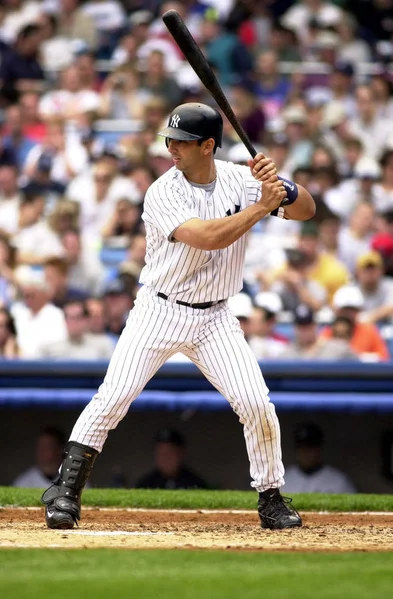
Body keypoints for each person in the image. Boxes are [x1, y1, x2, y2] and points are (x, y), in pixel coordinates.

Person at [41, 102, 315, 531]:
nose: (171, 148)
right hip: (160, 309)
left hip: (216, 317)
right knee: (112, 400)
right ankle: (64, 492)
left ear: (208, 145)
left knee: (255, 403)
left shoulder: (241, 179)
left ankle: (271, 498)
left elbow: (307, 210)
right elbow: (207, 238)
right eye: (169, 139)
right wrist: (262, 207)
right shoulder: (162, 190)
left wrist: (278, 185)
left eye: (182, 142)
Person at [321, 285, 390, 361]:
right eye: (345, 310)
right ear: (338, 311)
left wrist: (362, 358)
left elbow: (383, 357)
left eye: (353, 310)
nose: (348, 314)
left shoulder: (369, 331)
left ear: (358, 310)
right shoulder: (329, 332)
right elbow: (319, 357)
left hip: (364, 372)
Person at [283, 423, 356, 494]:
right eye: (302, 448)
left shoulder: (338, 481)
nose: (306, 453)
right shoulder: (283, 480)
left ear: (319, 449)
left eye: (310, 447)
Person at [39, 299, 114, 360]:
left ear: (86, 320)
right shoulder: (49, 348)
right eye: (70, 318)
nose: (73, 322)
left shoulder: (103, 346)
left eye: (78, 317)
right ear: (65, 321)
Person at [136, 428, 208, 490]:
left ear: (180, 453)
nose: (165, 458)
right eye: (161, 453)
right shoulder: (146, 484)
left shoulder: (195, 483)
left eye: (169, 452)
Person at [280, 304, 358, 360]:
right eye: (301, 327)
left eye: (308, 325)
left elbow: (358, 365)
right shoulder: (287, 354)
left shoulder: (337, 349)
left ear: (315, 326)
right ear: (295, 328)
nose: (305, 330)